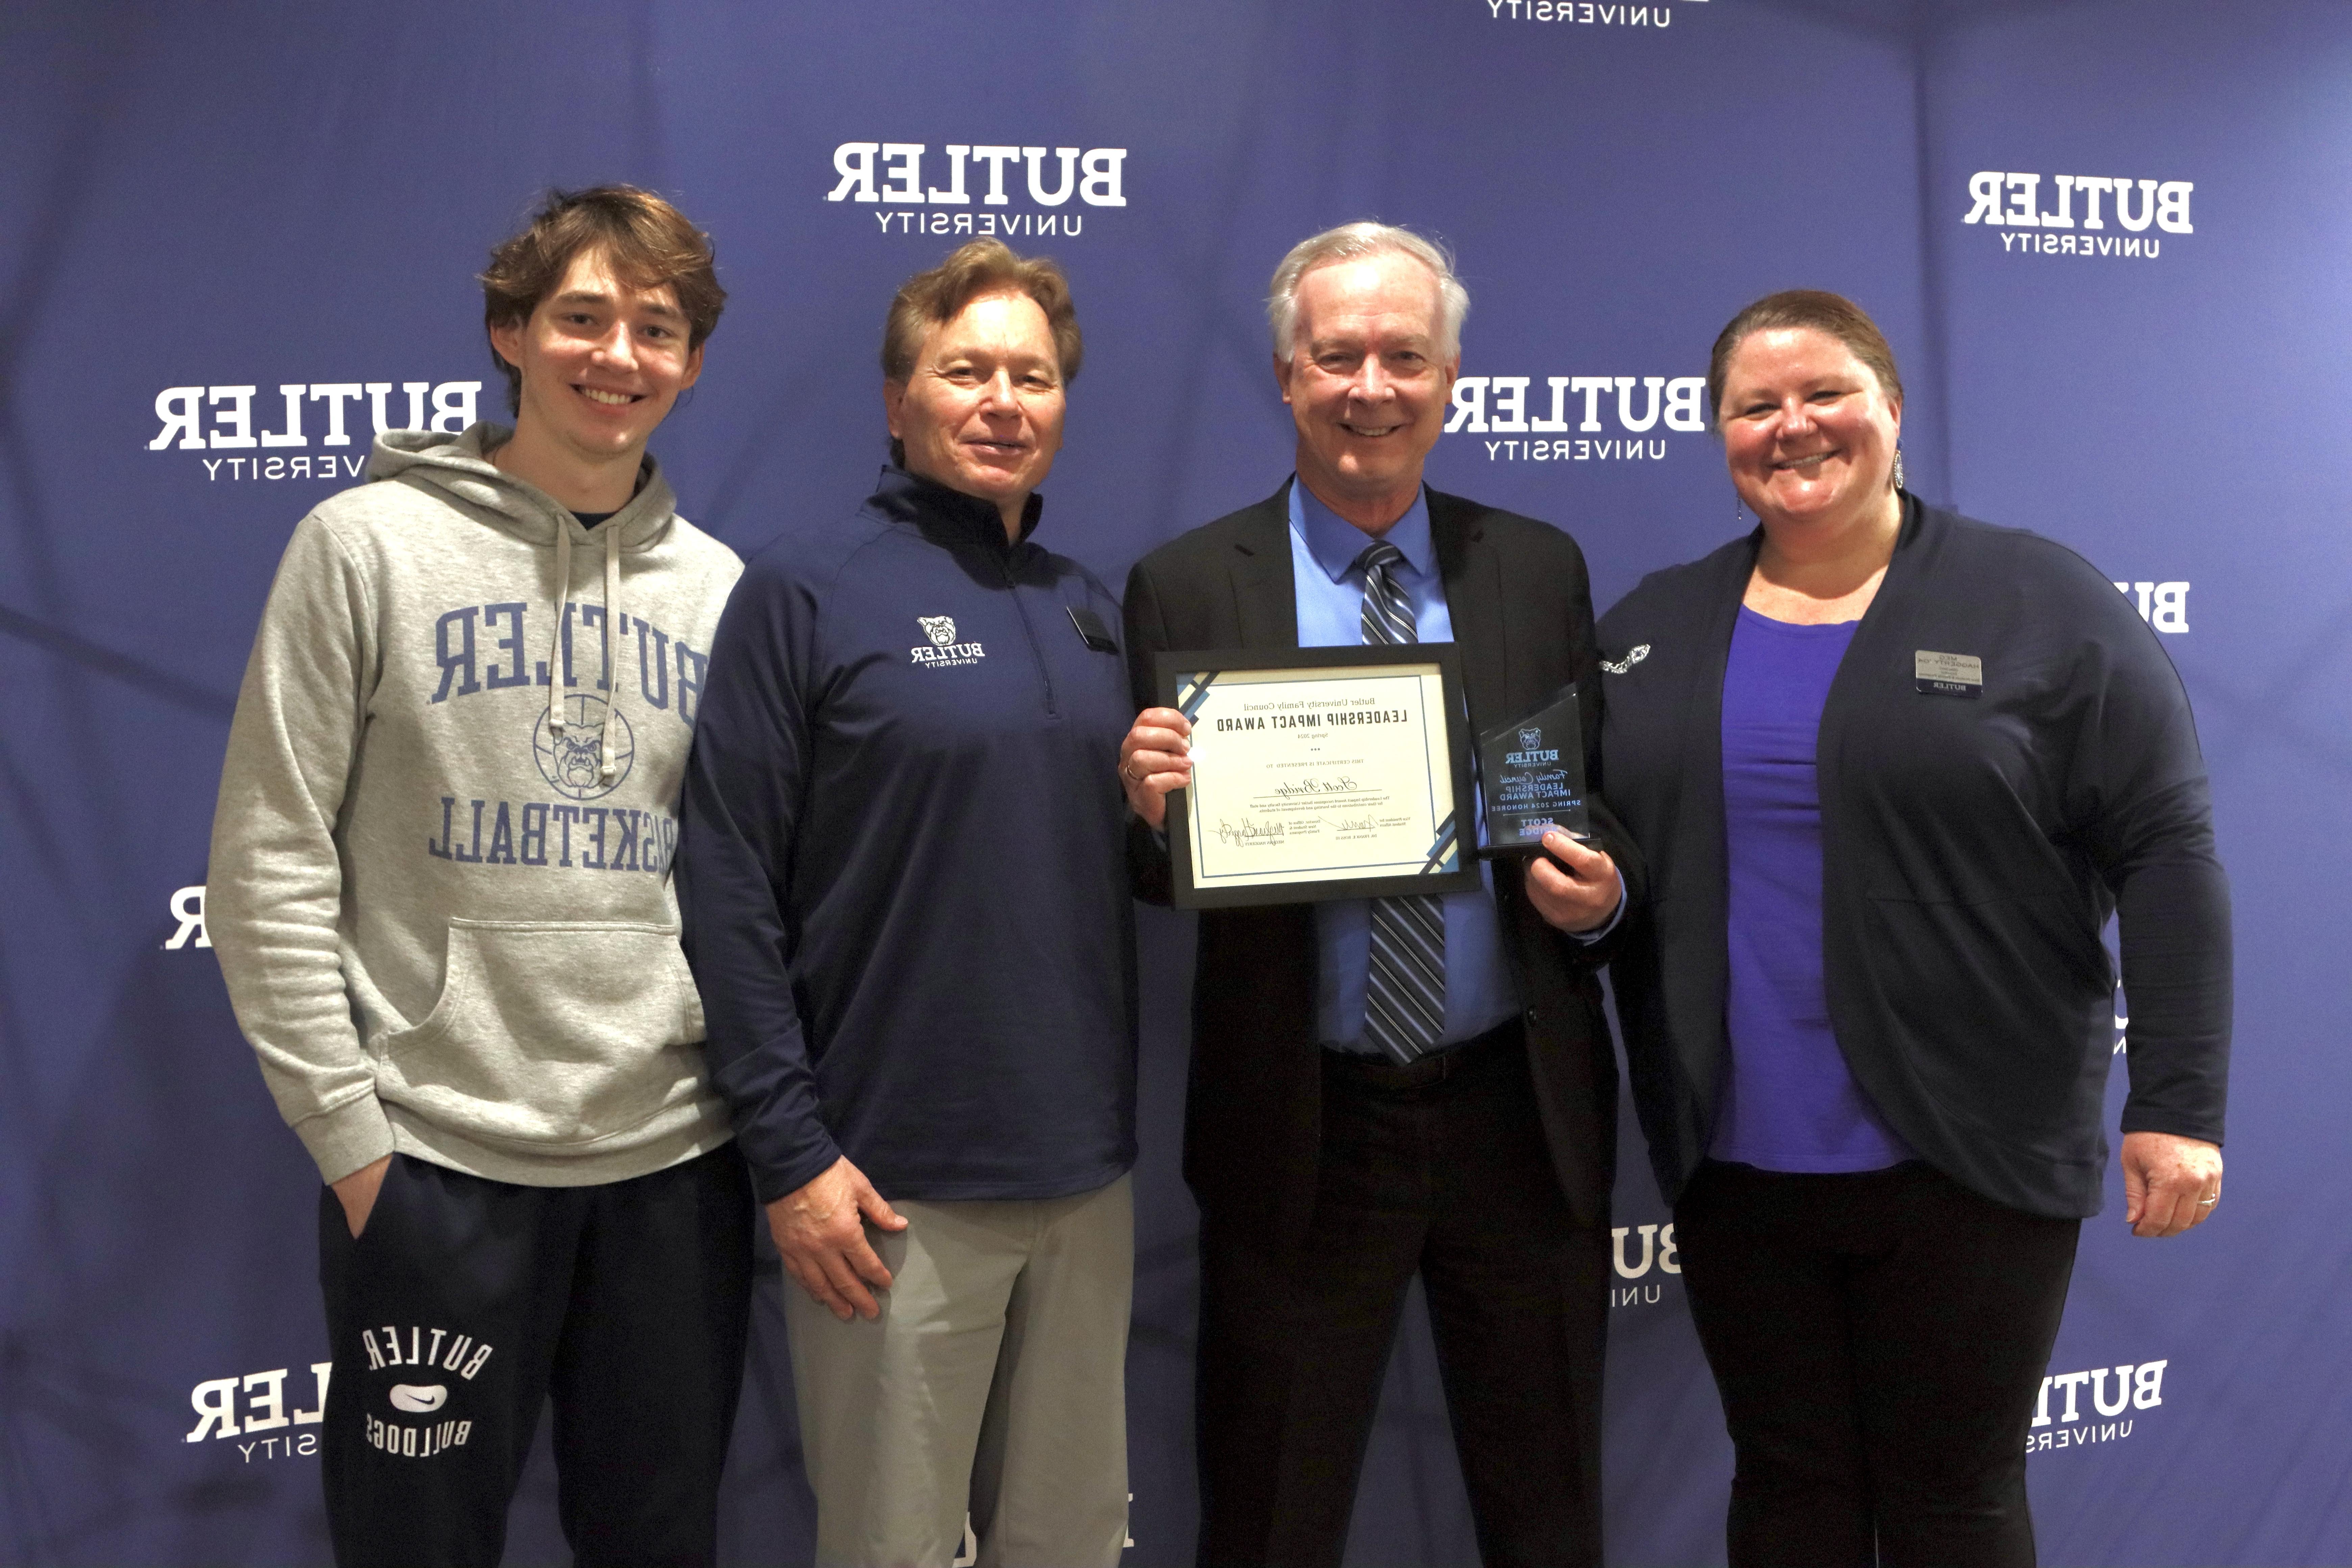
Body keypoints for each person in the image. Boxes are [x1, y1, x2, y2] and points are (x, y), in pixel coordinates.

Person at [1596, 289, 2231, 1567]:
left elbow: (2166, 847)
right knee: (1789, 1491)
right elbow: (1605, 830)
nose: (1792, 427)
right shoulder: (1655, 626)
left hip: (1971, 1153)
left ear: (1892, 409)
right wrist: (1595, 885)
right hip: (1737, 1158)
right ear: (1718, 433)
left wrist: (2178, 1101)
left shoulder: (2038, 600)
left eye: (1825, 393)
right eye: (1754, 405)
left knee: (1954, 1499)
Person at [206, 186, 750, 1568]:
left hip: (671, 1168)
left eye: (657, 327)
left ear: (689, 363)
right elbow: (270, 853)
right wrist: (354, 1141)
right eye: (581, 317)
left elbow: (750, 884)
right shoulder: (363, 545)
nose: (617, 355)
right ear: (511, 330)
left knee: (657, 1542)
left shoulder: (721, 589)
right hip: (438, 1164)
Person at [1119, 222, 1641, 1568]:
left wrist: (1599, 899)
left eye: (1404, 355)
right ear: (1288, 376)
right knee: (1270, 1519)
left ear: (1452, 377)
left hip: (1514, 1117)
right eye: (1337, 354)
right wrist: (1148, 811)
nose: (1372, 386)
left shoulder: (1540, 565)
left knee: (1548, 1517)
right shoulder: (1186, 581)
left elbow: (1591, 803)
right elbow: (1157, 869)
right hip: (1304, 1125)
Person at [677, 238, 1136, 1568]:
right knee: (892, 1547)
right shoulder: (803, 592)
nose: (1005, 401)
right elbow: (727, 883)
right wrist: (795, 1158)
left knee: (1072, 1542)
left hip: (1086, 1175)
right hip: (885, 1192)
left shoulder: (1092, 611)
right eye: (967, 370)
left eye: (1034, 376)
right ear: (898, 400)